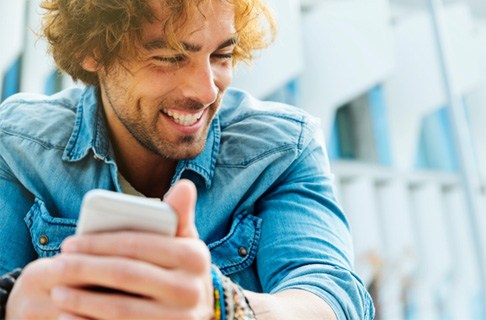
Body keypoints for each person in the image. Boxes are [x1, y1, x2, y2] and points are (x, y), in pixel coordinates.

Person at [0, 0, 374, 319]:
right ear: (93, 50)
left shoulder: (283, 147)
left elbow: (329, 294)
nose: (207, 90)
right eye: (169, 57)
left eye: (221, 56)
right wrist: (13, 304)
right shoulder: (18, 144)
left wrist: (221, 307)